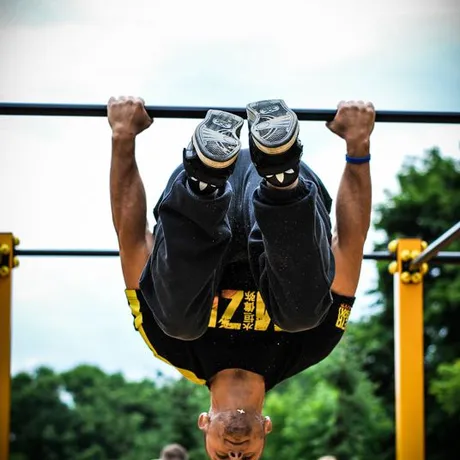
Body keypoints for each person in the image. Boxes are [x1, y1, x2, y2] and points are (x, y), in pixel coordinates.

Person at [108, 96, 374, 460]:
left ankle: (206, 179)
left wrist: (123, 137)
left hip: (196, 203)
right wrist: (357, 146)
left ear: (204, 423)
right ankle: (280, 167)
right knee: (303, 317)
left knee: (176, 323)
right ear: (267, 427)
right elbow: (351, 242)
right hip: (283, 202)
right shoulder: (310, 348)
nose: (235, 456)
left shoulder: (170, 348)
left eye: (221, 459)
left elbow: (132, 238)